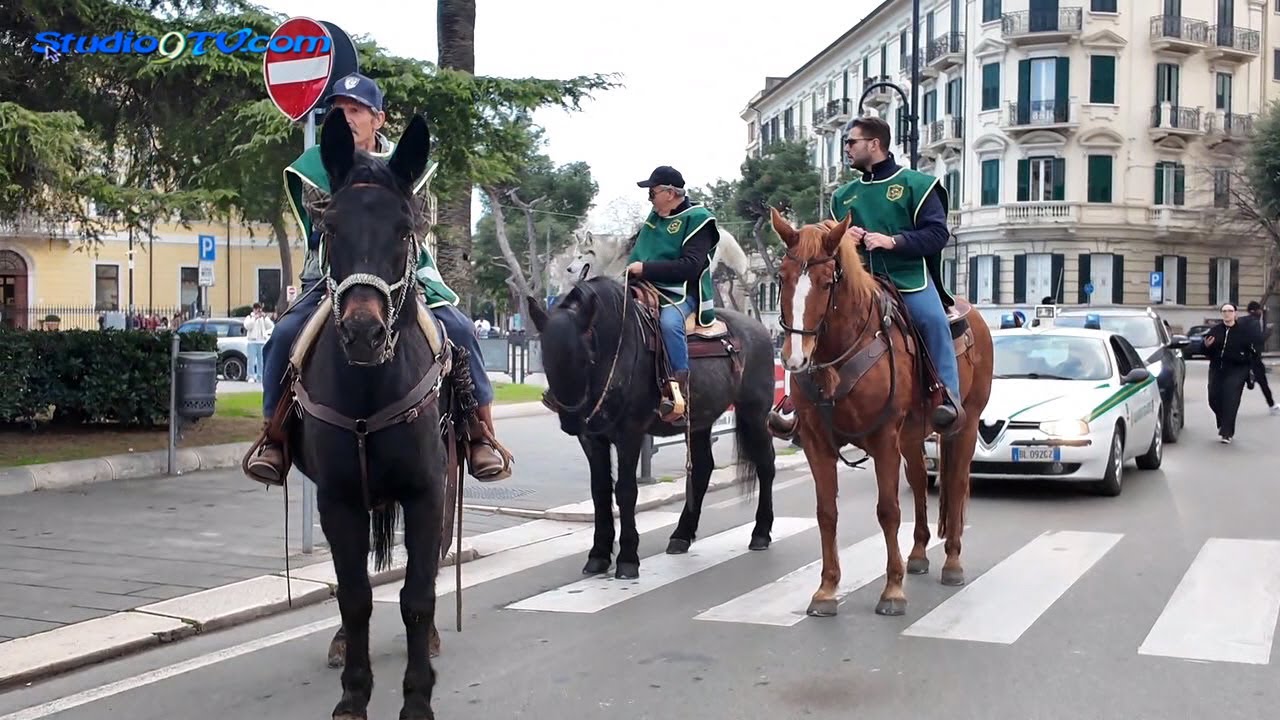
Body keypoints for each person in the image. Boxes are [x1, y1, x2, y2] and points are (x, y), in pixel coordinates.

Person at [241, 72, 513, 485]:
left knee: (459, 328)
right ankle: (274, 437)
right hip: (335, 271)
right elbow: (325, 220)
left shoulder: (405, 166)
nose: (347, 117)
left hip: (399, 271)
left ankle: (481, 434)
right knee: (284, 335)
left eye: (356, 110)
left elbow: (415, 221)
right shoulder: (322, 166)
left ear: (378, 119)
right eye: (339, 110)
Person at [769, 116, 961, 438]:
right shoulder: (842, 195)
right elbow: (828, 246)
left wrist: (893, 241)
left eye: (851, 142)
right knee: (810, 321)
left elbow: (937, 234)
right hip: (855, 282)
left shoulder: (917, 184)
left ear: (874, 144)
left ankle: (947, 396)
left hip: (906, 277)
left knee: (932, 320)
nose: (845, 148)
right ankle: (795, 405)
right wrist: (843, 235)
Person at [626, 165, 720, 425]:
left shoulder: (698, 219)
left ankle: (679, 392)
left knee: (669, 323)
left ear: (669, 193)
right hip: (644, 287)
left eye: (652, 193)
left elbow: (691, 266)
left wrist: (645, 269)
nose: (650, 199)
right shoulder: (655, 217)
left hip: (682, 293)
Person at [1203, 303, 1263, 443]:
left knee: (1231, 399)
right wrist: (1205, 346)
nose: (1227, 314)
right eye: (1224, 311)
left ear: (1235, 313)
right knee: (1213, 398)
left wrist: (1250, 364)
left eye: (1230, 311)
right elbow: (1205, 350)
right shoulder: (1215, 331)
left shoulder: (1243, 331)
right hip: (1217, 368)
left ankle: (1226, 432)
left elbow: (1253, 351)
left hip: (1237, 369)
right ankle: (1223, 422)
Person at [1242, 301, 1277, 415]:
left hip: (1241, 357)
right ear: (1255, 311)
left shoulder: (1241, 321)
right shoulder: (1254, 322)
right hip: (1254, 357)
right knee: (1263, 382)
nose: (1261, 312)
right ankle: (1272, 406)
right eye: (1259, 310)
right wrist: (1268, 331)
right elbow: (1259, 339)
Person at [242, 303, 273, 383]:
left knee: (261, 361)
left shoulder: (262, 318)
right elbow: (247, 326)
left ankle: (260, 377)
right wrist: (254, 318)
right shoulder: (249, 317)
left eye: (258, 309)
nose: (257, 310)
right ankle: (251, 376)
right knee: (251, 361)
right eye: (256, 309)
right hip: (252, 342)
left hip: (262, 342)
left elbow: (270, 326)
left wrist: (265, 317)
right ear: (253, 309)